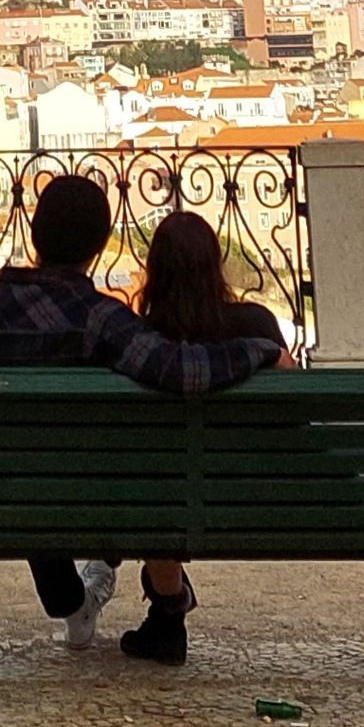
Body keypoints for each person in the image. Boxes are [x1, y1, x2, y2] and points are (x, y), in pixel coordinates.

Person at [0, 175, 284, 652]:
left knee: (35, 470)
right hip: (99, 492)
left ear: (34, 233)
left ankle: (74, 603)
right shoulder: (101, 318)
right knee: (131, 468)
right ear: (98, 246)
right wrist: (259, 350)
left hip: (11, 488)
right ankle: (158, 602)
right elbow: (183, 370)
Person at [118, 208, 292, 665]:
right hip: (256, 497)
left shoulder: (139, 342)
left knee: (154, 489)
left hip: (164, 502)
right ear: (216, 265)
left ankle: (168, 615)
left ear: (154, 271)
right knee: (163, 487)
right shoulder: (258, 327)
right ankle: (166, 619)